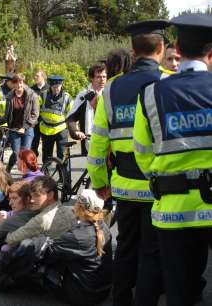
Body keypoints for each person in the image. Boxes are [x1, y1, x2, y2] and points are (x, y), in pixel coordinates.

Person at [87, 20, 171, 306]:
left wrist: (99, 182)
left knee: (124, 247)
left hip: (122, 184)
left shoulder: (110, 89)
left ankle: (120, 300)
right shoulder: (167, 82)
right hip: (158, 184)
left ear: (132, 52)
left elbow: (97, 142)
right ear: (161, 48)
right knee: (151, 250)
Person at [133, 13, 212, 306]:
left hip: (172, 208)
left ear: (176, 47)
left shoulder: (151, 94)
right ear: (211, 52)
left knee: (178, 292)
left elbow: (142, 152)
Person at [0, 189, 112, 306]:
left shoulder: (78, 236)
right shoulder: (102, 227)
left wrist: (33, 242)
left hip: (82, 295)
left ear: (79, 207)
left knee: (33, 267)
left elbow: (47, 254)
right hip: (100, 289)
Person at [0, 73, 40, 172]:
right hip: (14, 129)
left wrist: (24, 127)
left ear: (23, 82)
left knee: (25, 154)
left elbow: (35, 114)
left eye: (20, 82)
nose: (19, 85)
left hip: (28, 129)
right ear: (13, 84)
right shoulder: (10, 96)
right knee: (16, 153)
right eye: (16, 83)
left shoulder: (32, 95)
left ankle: (27, 176)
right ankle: (9, 167)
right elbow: (7, 115)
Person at [66, 63, 107, 154]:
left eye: (104, 76)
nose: (102, 80)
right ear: (91, 78)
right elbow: (71, 118)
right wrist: (76, 131)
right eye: (99, 77)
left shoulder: (110, 94)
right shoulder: (83, 96)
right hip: (89, 142)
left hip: (107, 142)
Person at [39, 76, 73, 164]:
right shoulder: (43, 95)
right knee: (47, 156)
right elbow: (35, 108)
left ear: (61, 85)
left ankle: (63, 176)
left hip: (61, 130)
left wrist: (73, 129)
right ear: (50, 86)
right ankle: (46, 174)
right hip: (46, 130)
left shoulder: (67, 97)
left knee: (62, 156)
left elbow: (72, 115)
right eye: (54, 87)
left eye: (58, 87)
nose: (56, 89)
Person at [30, 69, 49, 156]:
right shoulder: (31, 89)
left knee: (46, 143)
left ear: (43, 77)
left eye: (37, 76)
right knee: (34, 143)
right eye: (35, 76)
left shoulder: (49, 88)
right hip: (35, 120)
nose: (35, 77)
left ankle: (46, 164)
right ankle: (34, 163)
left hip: (46, 121)